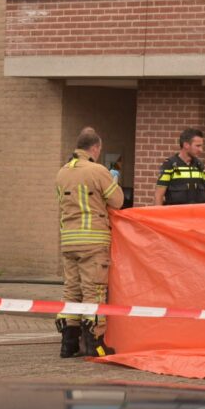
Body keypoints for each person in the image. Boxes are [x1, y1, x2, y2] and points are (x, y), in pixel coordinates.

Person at [55, 127, 124, 358]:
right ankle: (96, 344)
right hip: (93, 241)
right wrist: (114, 180)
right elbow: (118, 201)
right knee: (94, 291)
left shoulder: (62, 172)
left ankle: (68, 344)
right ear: (95, 148)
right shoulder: (97, 170)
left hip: (68, 240)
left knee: (71, 290)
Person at [154, 128, 205, 206]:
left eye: (201, 146)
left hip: (197, 216)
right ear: (186, 145)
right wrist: (159, 216)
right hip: (175, 216)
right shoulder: (170, 165)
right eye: (198, 146)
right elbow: (158, 195)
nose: (201, 150)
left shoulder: (199, 165)